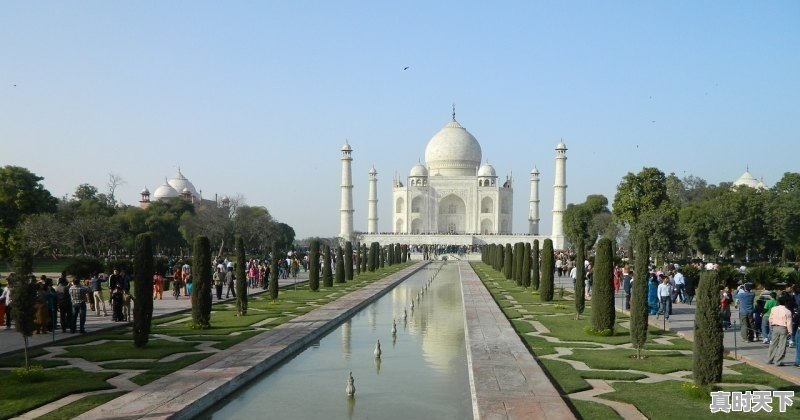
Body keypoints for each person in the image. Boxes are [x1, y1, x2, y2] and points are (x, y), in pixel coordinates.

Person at [766, 295, 793, 366]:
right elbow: (789, 323)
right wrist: (790, 331)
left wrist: (771, 326)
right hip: (783, 328)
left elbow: (770, 319)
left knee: (773, 344)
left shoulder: (773, 309)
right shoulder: (788, 311)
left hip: (775, 327)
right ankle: (778, 361)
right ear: (786, 302)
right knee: (782, 345)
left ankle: (769, 359)